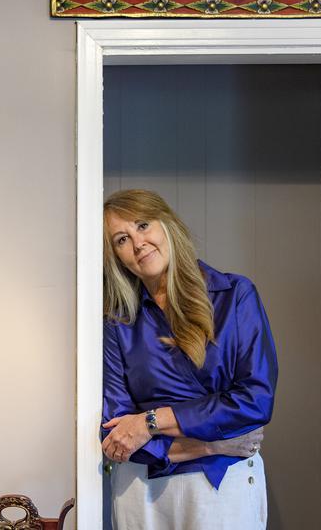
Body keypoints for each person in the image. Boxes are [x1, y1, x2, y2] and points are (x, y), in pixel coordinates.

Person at [101, 189, 278, 529]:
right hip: (142, 488)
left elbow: (256, 401)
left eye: (143, 225)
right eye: (122, 239)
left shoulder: (235, 296)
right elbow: (114, 433)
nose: (138, 243)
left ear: (167, 225)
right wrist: (209, 446)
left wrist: (149, 422)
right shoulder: (118, 321)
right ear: (116, 256)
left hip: (225, 485)